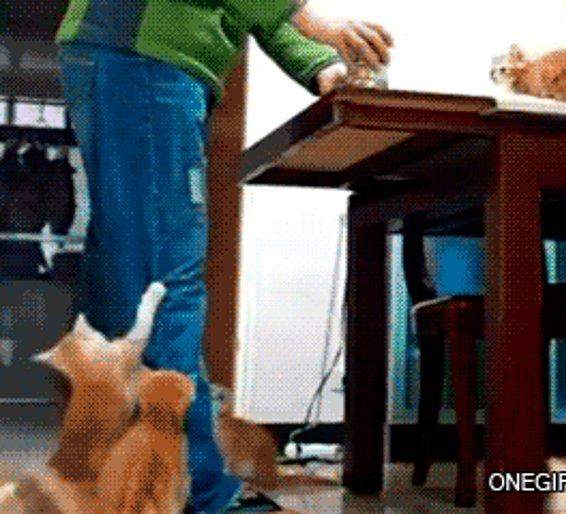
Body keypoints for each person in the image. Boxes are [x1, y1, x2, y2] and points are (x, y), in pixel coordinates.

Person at [55, 1, 392, 512]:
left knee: (124, 281)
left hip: (131, 56)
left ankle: (120, 481)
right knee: (166, 282)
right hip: (145, 57)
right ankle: (202, 494)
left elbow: (253, 10)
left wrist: (320, 65)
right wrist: (310, 18)